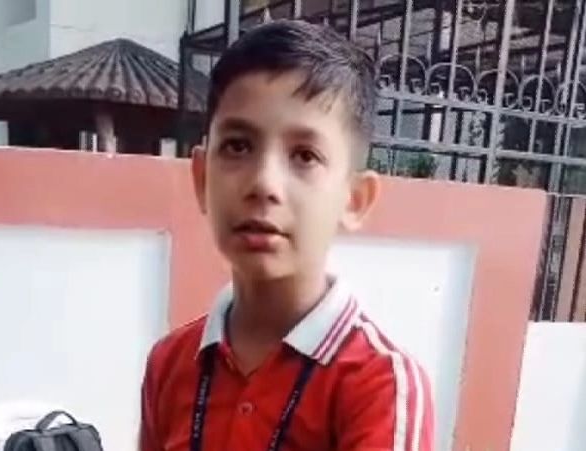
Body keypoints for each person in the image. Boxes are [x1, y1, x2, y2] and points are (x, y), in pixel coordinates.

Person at [139, 19, 434, 451]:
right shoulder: (170, 364)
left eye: (305, 156)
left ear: (354, 199)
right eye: (238, 146)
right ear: (201, 177)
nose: (264, 183)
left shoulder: (381, 384)